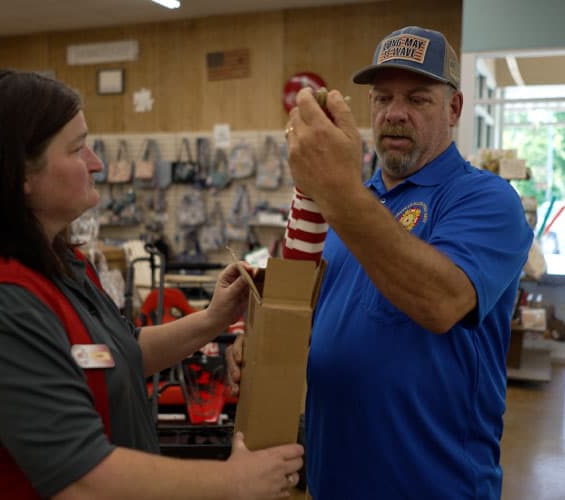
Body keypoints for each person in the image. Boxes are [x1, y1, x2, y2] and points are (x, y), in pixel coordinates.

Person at [0, 69, 303, 500]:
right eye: (79, 149)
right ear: (19, 175)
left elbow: (118, 355)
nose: (97, 164)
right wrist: (233, 483)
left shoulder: (57, 263)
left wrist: (213, 320)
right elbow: (81, 478)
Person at [228, 26, 533, 498]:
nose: (394, 113)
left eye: (417, 98)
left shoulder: (487, 200)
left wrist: (339, 191)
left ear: (453, 108)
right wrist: (263, 345)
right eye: (382, 97)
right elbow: (309, 324)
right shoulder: (346, 204)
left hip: (436, 484)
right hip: (334, 479)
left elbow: (440, 300)